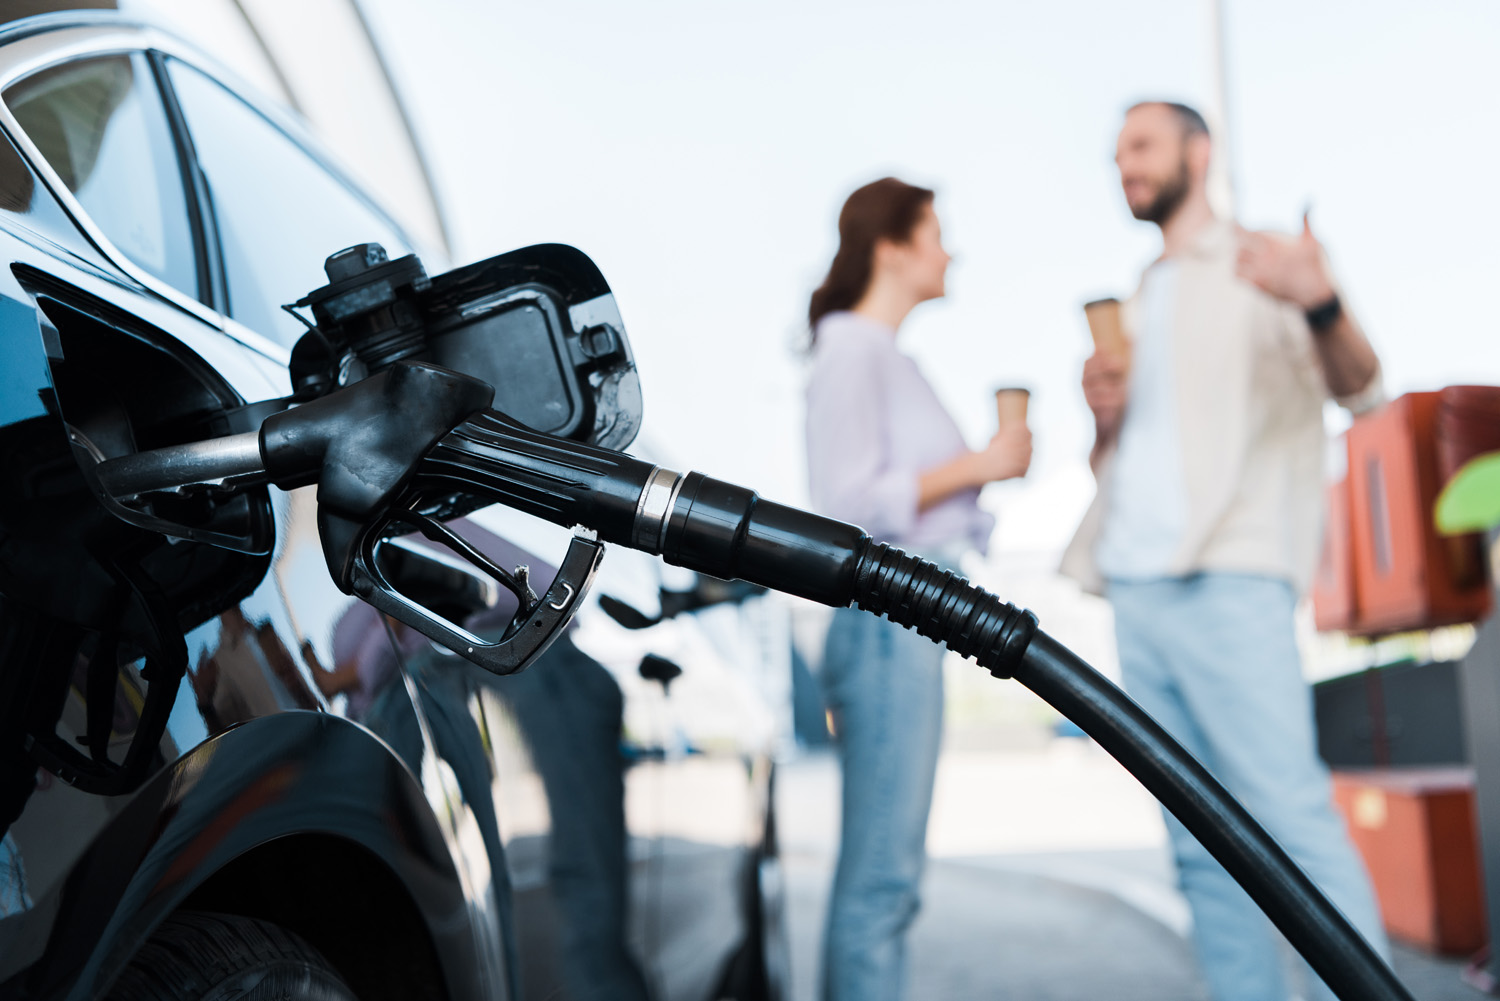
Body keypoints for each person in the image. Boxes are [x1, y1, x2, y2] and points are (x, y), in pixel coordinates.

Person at [1061, 101, 1389, 1001]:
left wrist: (1318, 297)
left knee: (1289, 818)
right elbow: (1118, 465)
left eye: (1141, 144)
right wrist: (1104, 424)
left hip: (1230, 575)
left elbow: (1360, 385)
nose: (1122, 161)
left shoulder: (1262, 261)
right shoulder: (1138, 294)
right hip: (1136, 582)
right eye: (1117, 150)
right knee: (1199, 846)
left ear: (1197, 154)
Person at [805, 177, 1031, 1001]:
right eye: (935, 232)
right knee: (883, 879)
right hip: (886, 620)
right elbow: (847, 503)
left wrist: (981, 477)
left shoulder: (883, 353)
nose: (950, 250)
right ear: (891, 247)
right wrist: (981, 464)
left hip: (906, 616)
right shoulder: (853, 348)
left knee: (881, 872)